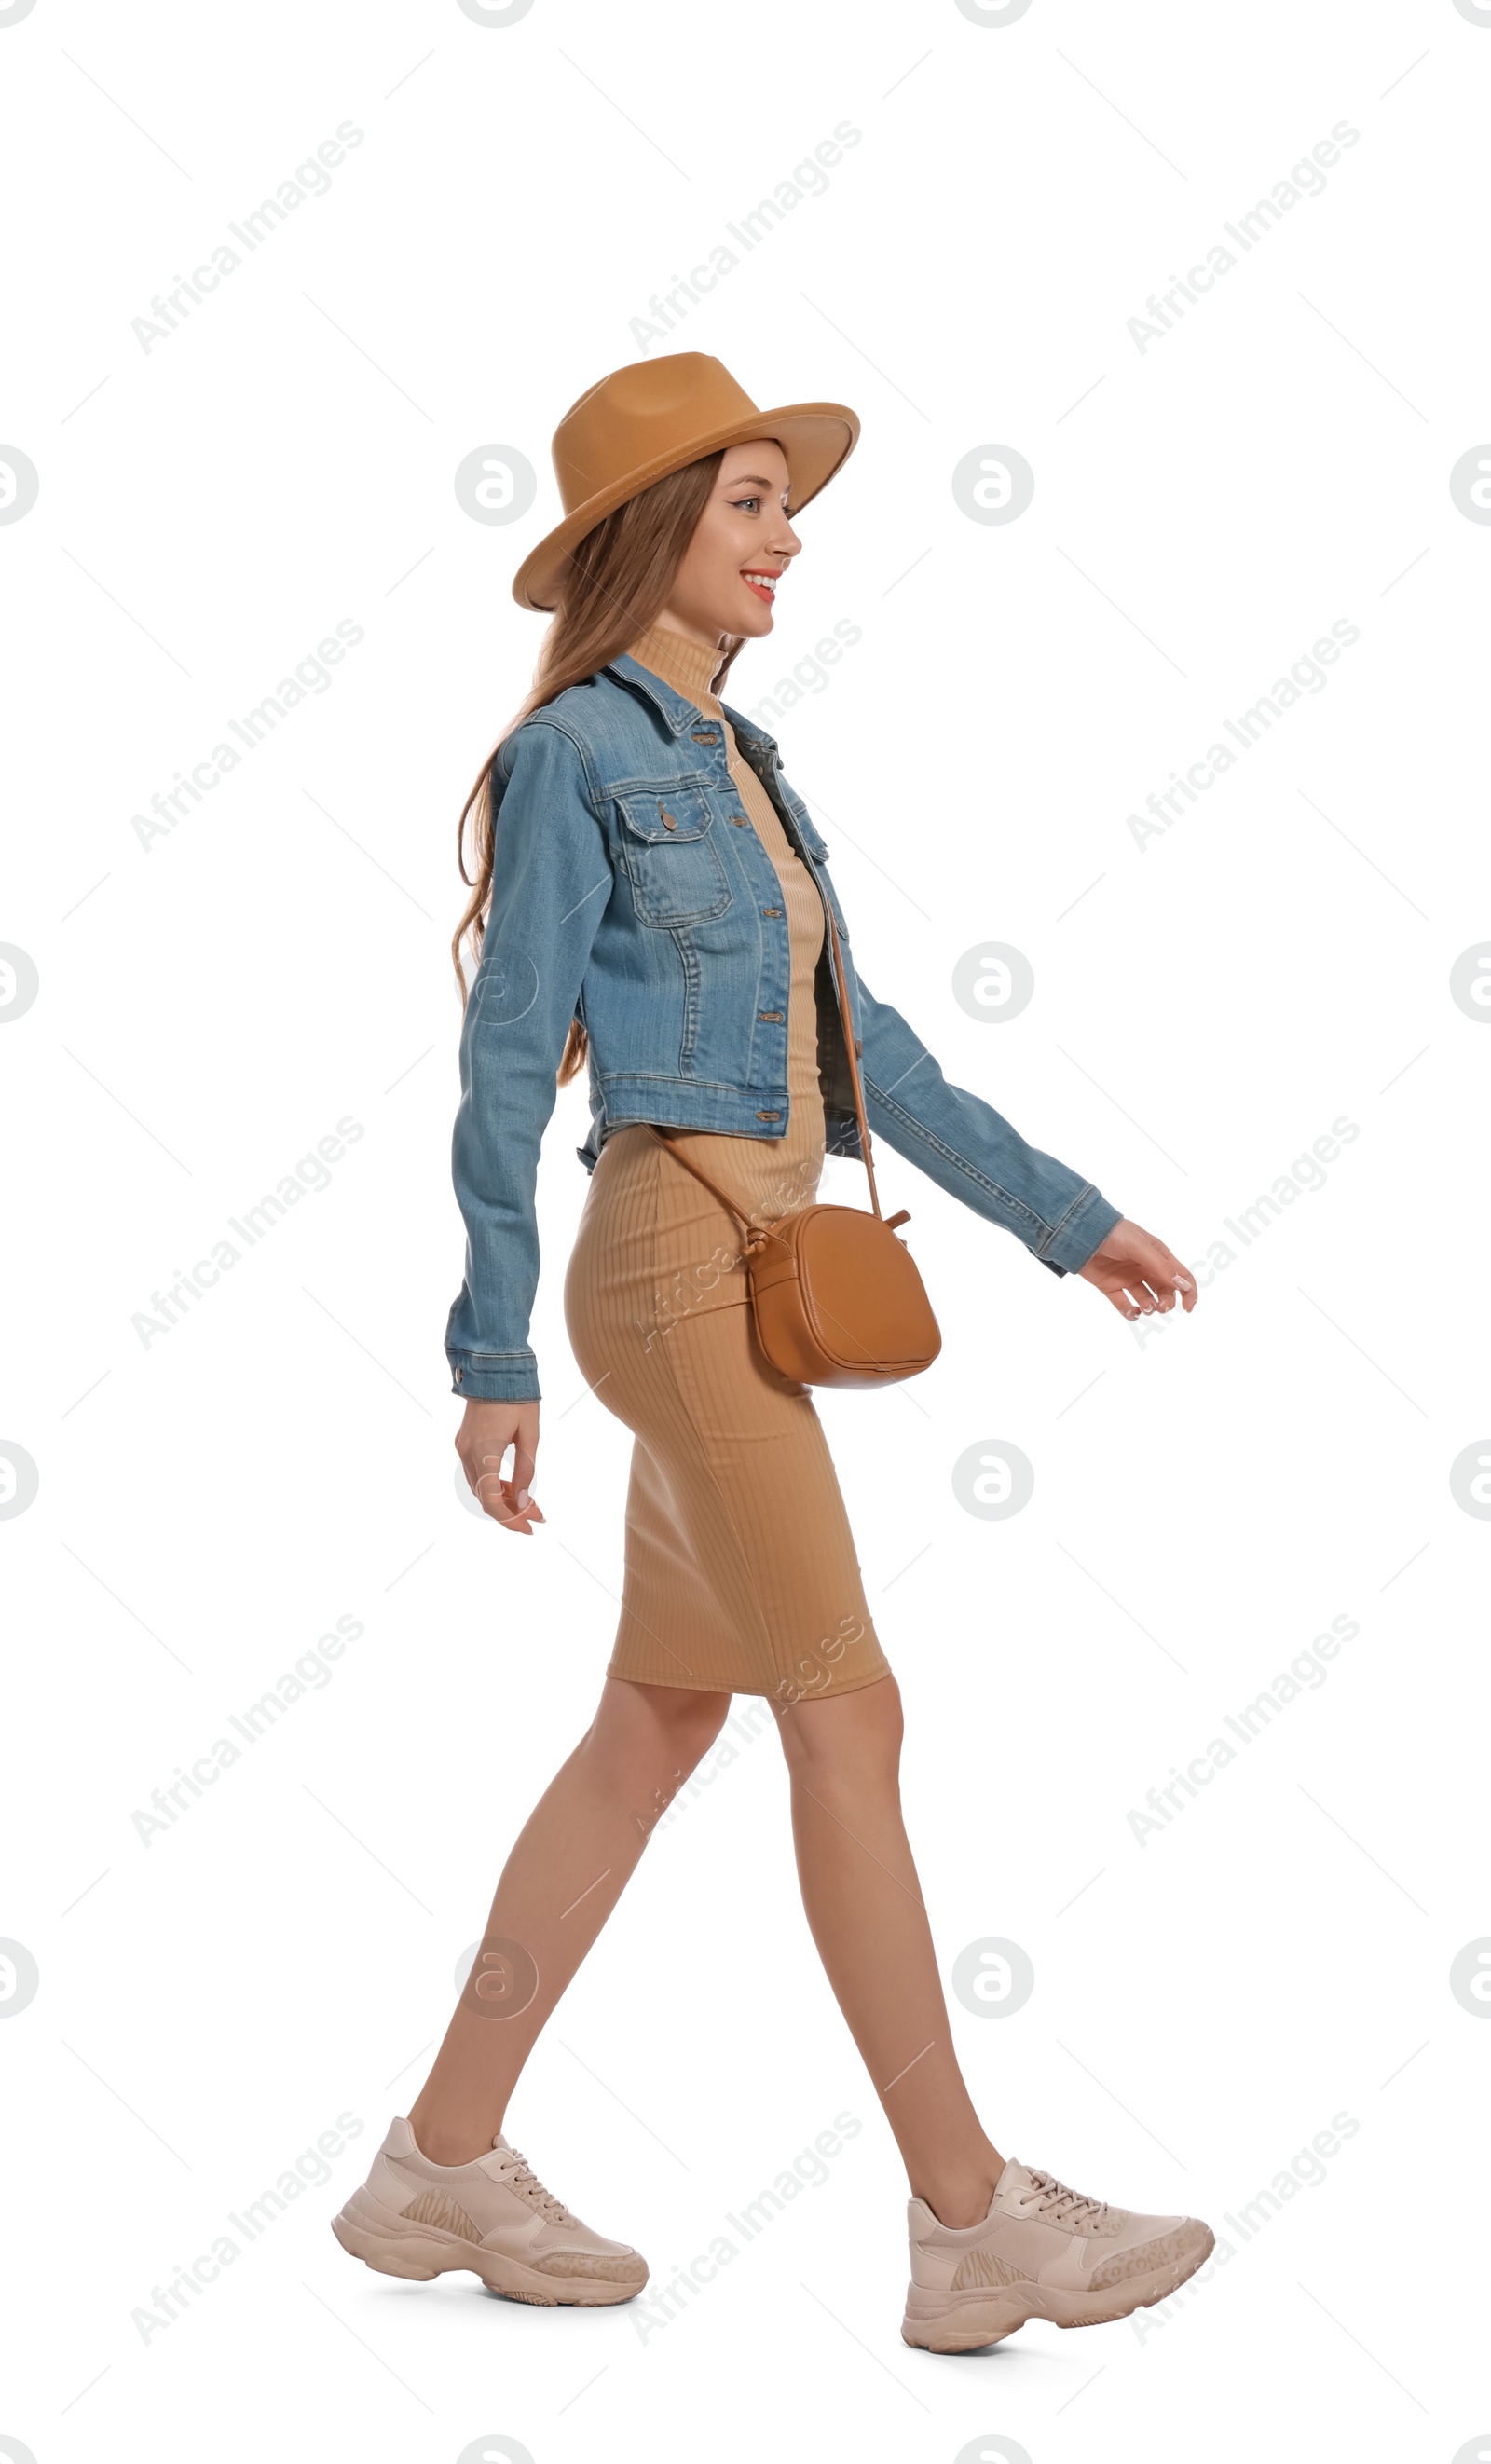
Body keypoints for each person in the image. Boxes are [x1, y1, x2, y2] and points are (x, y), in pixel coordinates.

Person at [332, 352, 1214, 2352]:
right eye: (743, 501)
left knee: (662, 1717)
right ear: (648, 529)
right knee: (849, 1709)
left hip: (750, 1260)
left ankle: (439, 2158)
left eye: (777, 502)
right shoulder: (579, 753)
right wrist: (492, 1352)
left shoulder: (751, 768)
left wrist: (1062, 1214)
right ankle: (970, 2212)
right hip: (671, 1254)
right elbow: (497, 1064)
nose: (784, 532)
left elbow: (866, 1053)